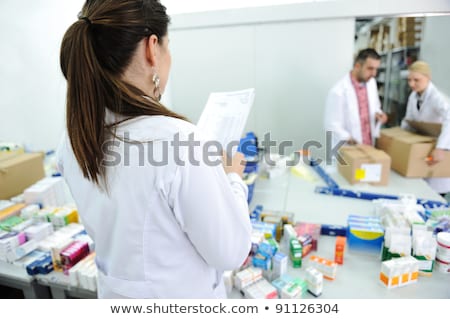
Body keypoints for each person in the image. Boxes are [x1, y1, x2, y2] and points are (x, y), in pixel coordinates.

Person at [57, 0, 252, 298]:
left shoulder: (73, 138)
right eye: (167, 45)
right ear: (151, 48)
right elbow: (230, 252)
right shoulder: (178, 142)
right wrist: (232, 178)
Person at [401, 61, 450, 198]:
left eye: (416, 80)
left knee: (435, 195)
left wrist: (441, 148)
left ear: (428, 78)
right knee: (420, 190)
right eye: (409, 80)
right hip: (423, 148)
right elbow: (408, 119)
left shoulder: (437, 97)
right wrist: (400, 139)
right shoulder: (413, 96)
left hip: (439, 151)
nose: (411, 84)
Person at [324, 48, 388, 147]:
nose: (374, 74)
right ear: (357, 66)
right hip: (348, 148)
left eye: (376, 69)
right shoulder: (338, 91)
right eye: (370, 68)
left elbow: (375, 106)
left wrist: (378, 114)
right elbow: (331, 125)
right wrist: (349, 139)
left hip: (368, 145)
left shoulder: (371, 83)